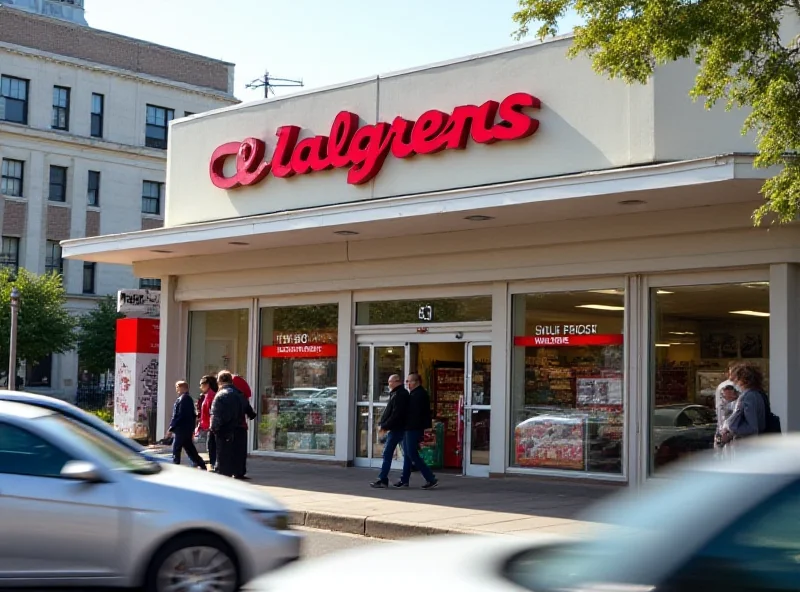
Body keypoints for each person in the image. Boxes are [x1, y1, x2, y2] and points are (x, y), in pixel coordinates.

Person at [398, 373, 438, 490]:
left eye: (409, 382)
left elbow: (414, 414)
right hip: (409, 428)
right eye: (407, 382)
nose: (408, 384)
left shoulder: (419, 395)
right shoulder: (415, 394)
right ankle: (404, 479)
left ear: (416, 382)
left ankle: (430, 478)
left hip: (413, 428)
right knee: (407, 454)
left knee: (412, 454)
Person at [370, 374, 409, 489]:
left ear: (397, 382)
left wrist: (385, 426)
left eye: (390, 382)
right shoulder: (396, 394)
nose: (389, 384)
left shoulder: (400, 395)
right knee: (406, 454)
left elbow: (396, 414)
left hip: (397, 429)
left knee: (388, 454)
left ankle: (383, 479)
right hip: (397, 428)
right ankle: (403, 479)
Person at [721, 363, 767, 445]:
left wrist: (730, 430)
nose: (734, 383)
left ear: (743, 380)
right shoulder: (756, 394)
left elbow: (752, 428)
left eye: (735, 379)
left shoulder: (749, 396)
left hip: (745, 446)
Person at [211, 371, 245, 477]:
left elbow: (216, 414)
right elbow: (247, 409)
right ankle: (238, 471)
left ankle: (223, 473)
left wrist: (214, 428)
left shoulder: (220, 395)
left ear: (219, 381)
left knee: (223, 455)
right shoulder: (239, 393)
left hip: (224, 429)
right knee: (237, 453)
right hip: (238, 427)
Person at [168, 380, 207, 470]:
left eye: (178, 387)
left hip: (182, 429)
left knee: (177, 448)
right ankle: (200, 463)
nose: (176, 389)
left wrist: (171, 427)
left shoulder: (184, 399)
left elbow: (181, 415)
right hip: (185, 429)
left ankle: (175, 465)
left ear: (183, 388)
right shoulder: (185, 399)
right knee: (189, 448)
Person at [232, 374, 257, 480]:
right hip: (241, 426)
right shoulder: (242, 397)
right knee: (240, 451)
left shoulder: (224, 395)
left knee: (229, 450)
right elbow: (251, 413)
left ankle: (230, 470)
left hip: (229, 427)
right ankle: (239, 471)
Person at [195, 374, 218, 470]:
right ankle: (212, 464)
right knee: (209, 446)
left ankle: (213, 464)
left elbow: (210, 411)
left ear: (207, 384)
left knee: (211, 446)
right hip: (206, 425)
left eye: (202, 384)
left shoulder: (211, 396)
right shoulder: (206, 396)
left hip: (209, 425)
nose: (200, 387)